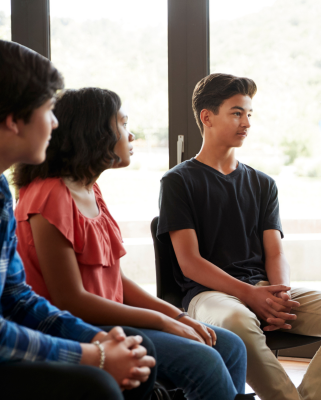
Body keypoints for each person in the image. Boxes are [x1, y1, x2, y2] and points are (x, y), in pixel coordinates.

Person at [13, 87, 248, 400]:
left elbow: (117, 281)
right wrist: (164, 321)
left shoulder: (90, 189)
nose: (131, 134)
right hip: (81, 326)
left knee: (230, 345)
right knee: (204, 361)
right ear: (93, 133)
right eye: (122, 124)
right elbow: (71, 300)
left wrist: (178, 316)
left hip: (112, 318)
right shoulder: (50, 195)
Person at [158, 73, 321, 400]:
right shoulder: (177, 181)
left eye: (249, 114)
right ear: (207, 117)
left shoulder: (262, 183)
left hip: (262, 289)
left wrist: (279, 294)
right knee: (237, 320)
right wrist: (250, 295)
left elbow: (275, 253)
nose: (246, 122)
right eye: (236, 112)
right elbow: (190, 264)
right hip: (209, 295)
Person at [0, 39, 155, 400]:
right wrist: (94, 354)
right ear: (13, 121)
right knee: (97, 383)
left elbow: (17, 298)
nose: (55, 123)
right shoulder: (48, 194)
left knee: (136, 349)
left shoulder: (2, 193)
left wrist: (99, 338)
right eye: (49, 110)